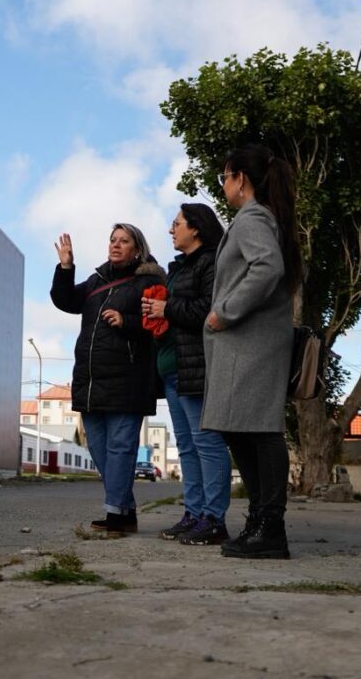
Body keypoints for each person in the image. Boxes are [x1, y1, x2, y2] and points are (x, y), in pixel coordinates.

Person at [200, 144, 302, 559]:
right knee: (238, 428)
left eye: (224, 177)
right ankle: (260, 520)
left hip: (252, 343)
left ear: (240, 178)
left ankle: (270, 528)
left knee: (259, 430)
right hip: (246, 345)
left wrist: (224, 312)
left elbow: (267, 267)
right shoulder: (257, 217)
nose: (222, 185)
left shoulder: (252, 217)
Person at [51, 224, 165, 537]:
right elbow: (65, 301)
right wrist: (66, 268)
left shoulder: (149, 281)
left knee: (121, 448)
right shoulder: (96, 281)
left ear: (137, 249)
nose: (115, 245)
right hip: (91, 379)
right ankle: (125, 509)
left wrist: (126, 320)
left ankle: (115, 514)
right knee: (100, 450)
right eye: (113, 240)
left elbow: (158, 323)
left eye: (123, 241)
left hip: (128, 379)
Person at [142, 204, 231, 545]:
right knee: (187, 447)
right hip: (172, 368)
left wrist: (166, 308)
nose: (171, 230)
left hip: (196, 367)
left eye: (176, 223)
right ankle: (194, 514)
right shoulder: (179, 268)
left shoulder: (210, 263)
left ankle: (214, 518)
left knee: (207, 443)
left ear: (196, 228)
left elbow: (210, 311)